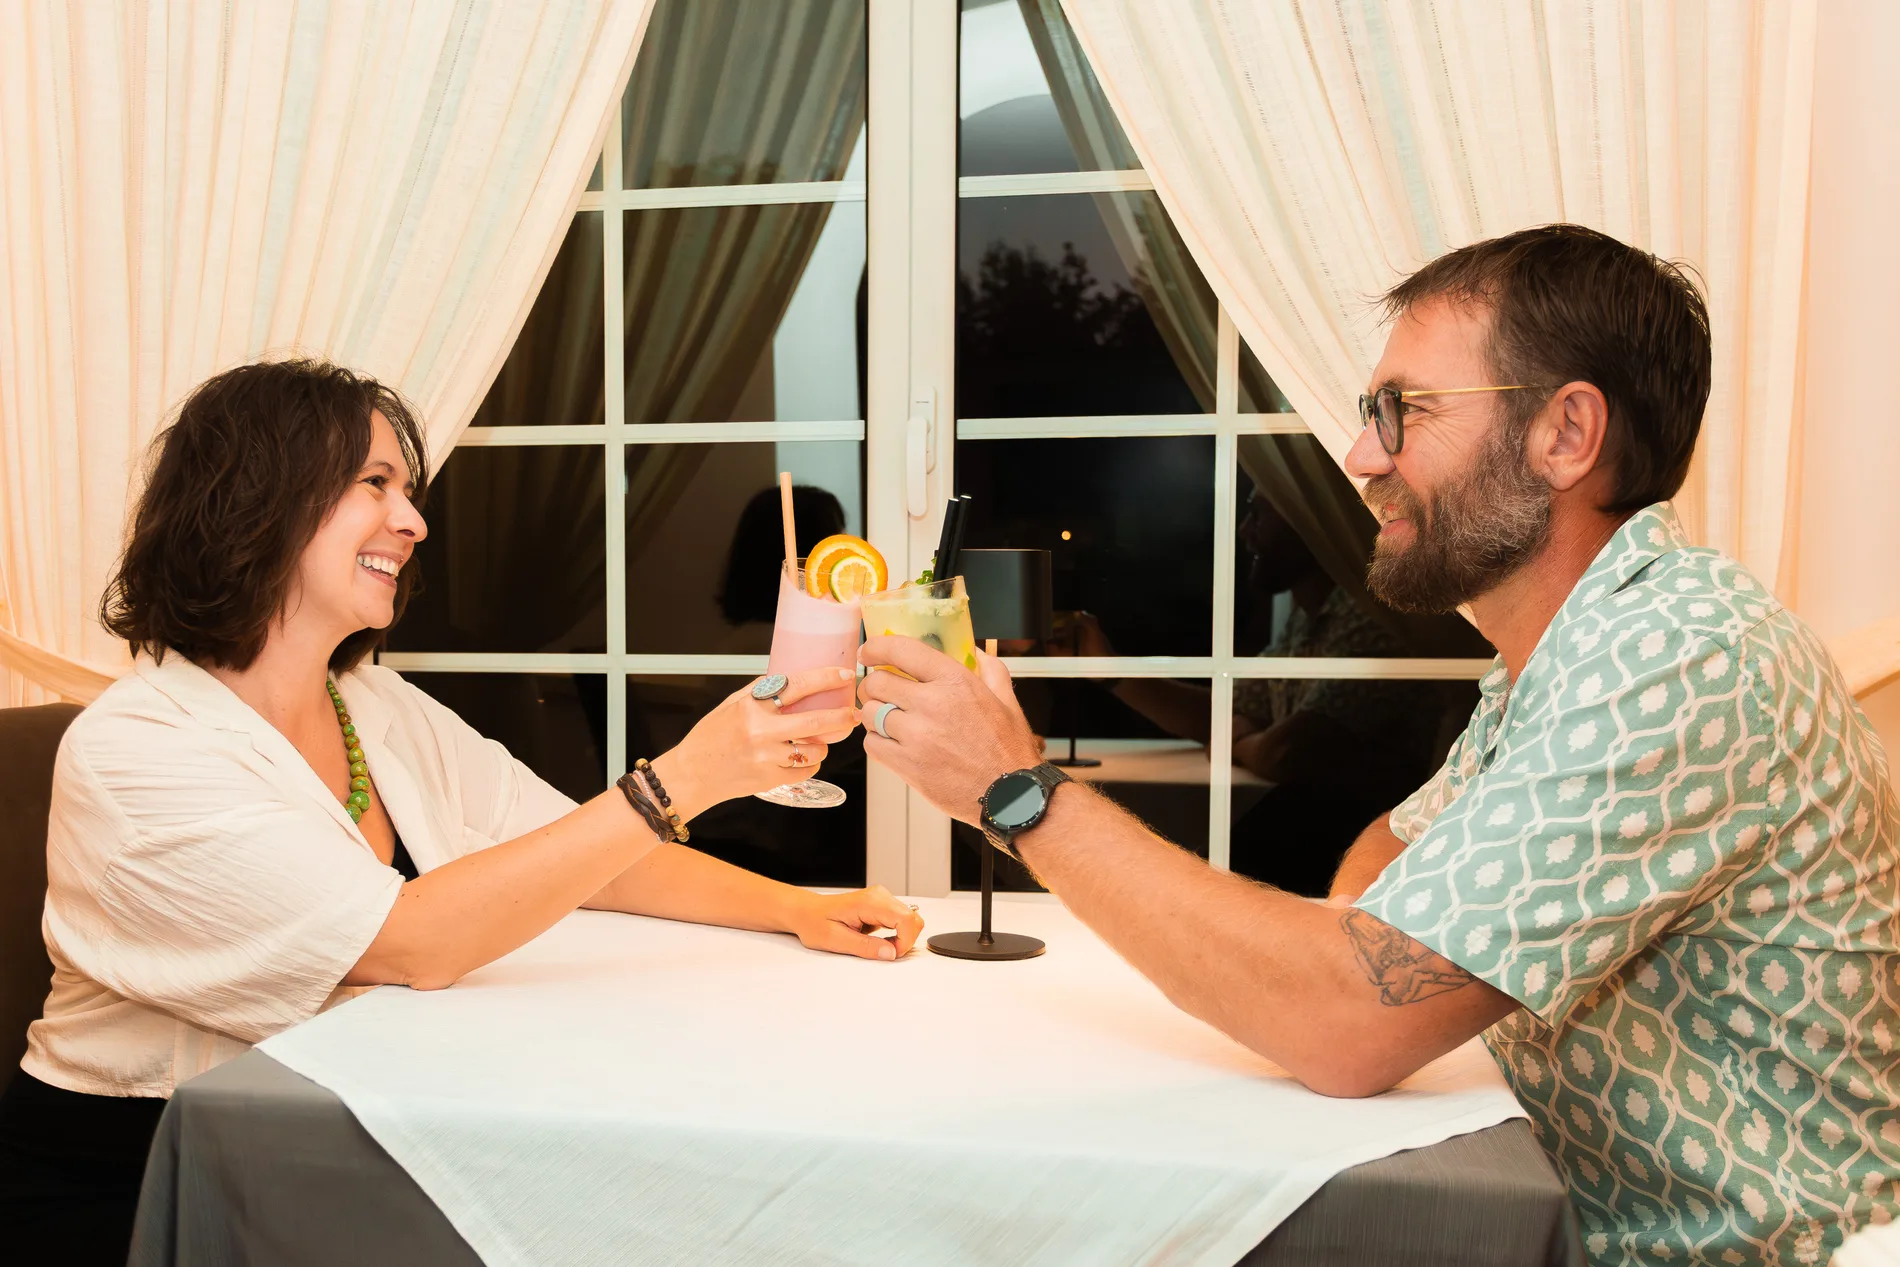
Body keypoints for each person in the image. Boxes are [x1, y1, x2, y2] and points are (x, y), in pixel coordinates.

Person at [859, 224, 1900, 1264]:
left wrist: (1018, 792)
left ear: (1567, 432)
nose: (1361, 457)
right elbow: (1393, 847)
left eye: (1404, 410)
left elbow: (1346, 1031)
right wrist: (1358, 957)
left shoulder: (1679, 656)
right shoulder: (1563, 654)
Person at [0, 359, 921, 1266]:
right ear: (258, 498)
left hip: (342, 1142)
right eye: (376, 482)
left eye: (407, 489)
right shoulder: (140, 749)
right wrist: (679, 778)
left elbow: (585, 849)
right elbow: (408, 942)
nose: (414, 520)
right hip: (146, 1186)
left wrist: (792, 907)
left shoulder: (372, 705)